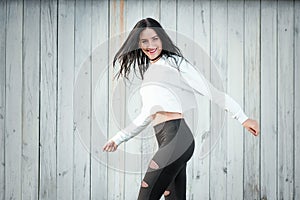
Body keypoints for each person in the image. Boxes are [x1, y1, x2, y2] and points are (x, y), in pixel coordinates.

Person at [103, 18, 260, 200]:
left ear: (162, 38)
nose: (150, 45)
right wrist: (118, 139)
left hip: (176, 137)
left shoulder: (175, 62)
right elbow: (146, 115)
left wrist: (242, 117)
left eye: (155, 39)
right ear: (138, 44)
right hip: (165, 140)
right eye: (144, 41)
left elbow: (212, 92)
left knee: (146, 194)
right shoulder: (149, 74)